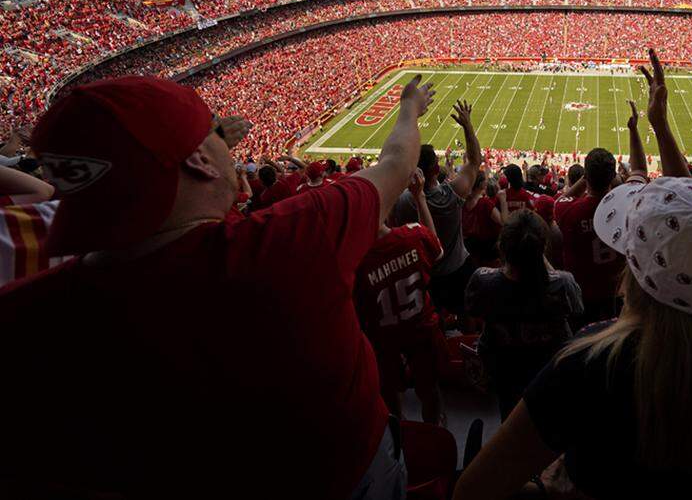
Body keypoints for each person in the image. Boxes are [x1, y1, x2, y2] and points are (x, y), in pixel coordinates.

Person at [0, 74, 435, 498]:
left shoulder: (23, 317)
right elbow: (396, 162)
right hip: (349, 477)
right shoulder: (291, 241)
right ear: (199, 161)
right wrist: (409, 107)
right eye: (214, 133)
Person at [453, 50, 692, 500]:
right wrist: (660, 128)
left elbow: (474, 490)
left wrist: (548, 485)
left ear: (634, 269)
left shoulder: (590, 362)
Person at [465, 210, 583, 420]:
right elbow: (577, 309)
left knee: (510, 417)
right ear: (542, 248)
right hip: (550, 371)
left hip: (504, 371)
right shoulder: (563, 284)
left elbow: (472, 309)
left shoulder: (482, 281)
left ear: (501, 247)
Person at [355, 168, 447, 425]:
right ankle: (434, 433)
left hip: (383, 338)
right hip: (422, 328)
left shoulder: (356, 260)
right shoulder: (413, 236)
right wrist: (420, 199)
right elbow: (437, 250)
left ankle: (398, 440)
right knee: (430, 392)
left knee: (390, 396)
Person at [392, 100, 480, 314]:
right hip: (457, 267)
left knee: (435, 314)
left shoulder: (400, 200)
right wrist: (467, 125)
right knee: (466, 311)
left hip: (426, 272)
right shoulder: (452, 194)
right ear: (435, 169)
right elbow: (475, 161)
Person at [554, 119, 644, 322]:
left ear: (586, 176)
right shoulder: (628, 205)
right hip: (617, 293)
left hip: (581, 295)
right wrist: (632, 129)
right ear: (612, 176)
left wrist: (586, 177)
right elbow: (639, 172)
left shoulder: (567, 211)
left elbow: (562, 199)